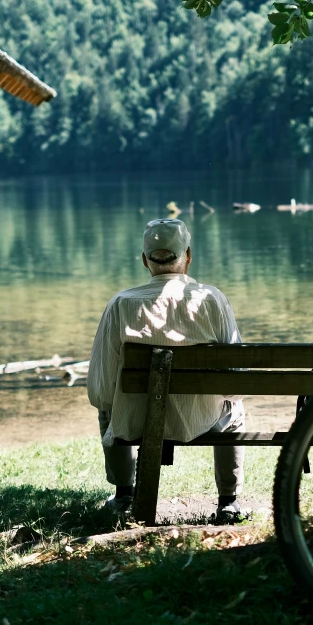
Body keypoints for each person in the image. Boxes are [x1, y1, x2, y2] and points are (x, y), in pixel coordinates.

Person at [87, 218, 246, 522]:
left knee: (108, 409)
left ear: (145, 260)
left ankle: (124, 495)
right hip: (203, 421)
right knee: (234, 409)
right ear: (188, 256)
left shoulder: (120, 304)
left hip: (138, 422)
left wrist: (115, 404)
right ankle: (228, 501)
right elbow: (235, 383)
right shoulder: (212, 300)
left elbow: (101, 391)